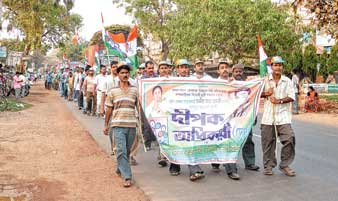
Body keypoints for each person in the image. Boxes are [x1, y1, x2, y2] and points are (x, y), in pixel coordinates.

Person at [211, 63, 259, 180]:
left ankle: (249, 163)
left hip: (243, 117)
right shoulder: (225, 84)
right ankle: (228, 167)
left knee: (247, 139)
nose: (238, 73)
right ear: (232, 72)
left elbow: (252, 100)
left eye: (240, 72)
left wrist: (253, 115)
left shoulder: (248, 85)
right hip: (226, 118)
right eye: (236, 71)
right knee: (227, 142)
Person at [168, 59, 205, 182]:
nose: (184, 70)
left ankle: (194, 169)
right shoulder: (170, 82)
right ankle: (175, 165)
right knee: (176, 142)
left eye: (186, 67)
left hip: (191, 117)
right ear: (177, 69)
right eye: (181, 67)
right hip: (175, 117)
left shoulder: (195, 81)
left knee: (190, 143)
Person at [103, 64, 139, 188]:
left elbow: (138, 107)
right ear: (118, 75)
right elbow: (108, 110)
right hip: (117, 125)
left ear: (129, 74)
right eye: (122, 73)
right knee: (121, 150)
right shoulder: (112, 91)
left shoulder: (135, 90)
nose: (125, 75)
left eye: (127, 73)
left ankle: (120, 168)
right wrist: (106, 125)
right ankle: (127, 176)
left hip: (131, 125)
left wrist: (141, 122)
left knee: (127, 151)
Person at [260, 56, 296, 177]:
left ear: (282, 67)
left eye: (280, 65)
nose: (278, 67)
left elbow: (292, 96)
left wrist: (279, 101)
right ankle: (268, 166)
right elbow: (255, 94)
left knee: (289, 138)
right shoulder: (264, 80)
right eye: (275, 65)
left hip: (284, 116)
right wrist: (266, 93)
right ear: (271, 67)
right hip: (268, 117)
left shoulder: (287, 81)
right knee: (268, 143)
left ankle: (285, 164)